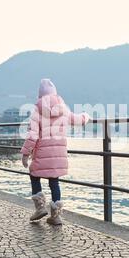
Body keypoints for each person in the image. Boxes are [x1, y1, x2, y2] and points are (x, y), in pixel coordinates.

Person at [20, 78, 89, 225]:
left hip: (41, 155)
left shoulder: (37, 111)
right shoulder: (63, 109)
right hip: (58, 157)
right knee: (54, 182)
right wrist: (86, 116)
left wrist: (25, 154)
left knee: (34, 174)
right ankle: (56, 216)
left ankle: (40, 208)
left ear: (40, 95)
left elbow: (32, 135)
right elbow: (78, 119)